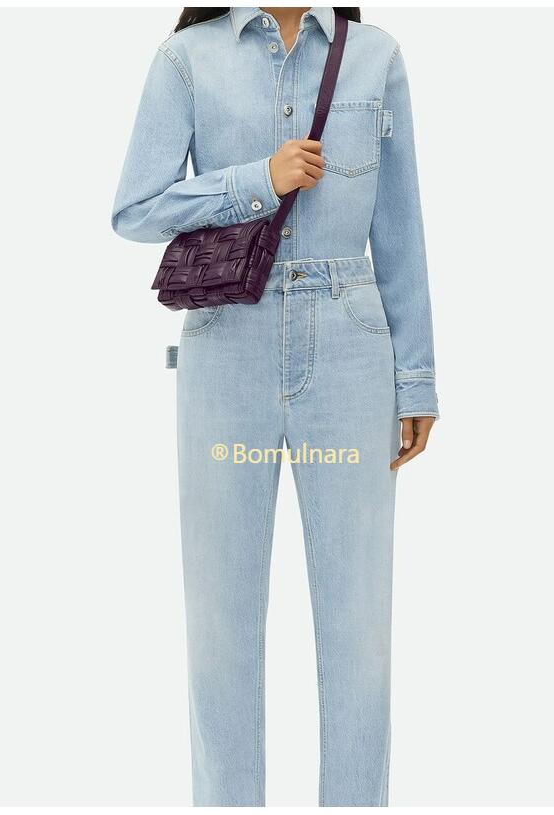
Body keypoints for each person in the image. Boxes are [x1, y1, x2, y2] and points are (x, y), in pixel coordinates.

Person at [111, 6, 440, 807]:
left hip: (353, 346)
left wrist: (417, 377)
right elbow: (135, 209)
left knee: (359, 630)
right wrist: (259, 179)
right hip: (226, 344)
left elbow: (401, 230)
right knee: (219, 630)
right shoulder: (187, 59)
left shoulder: (376, 56)